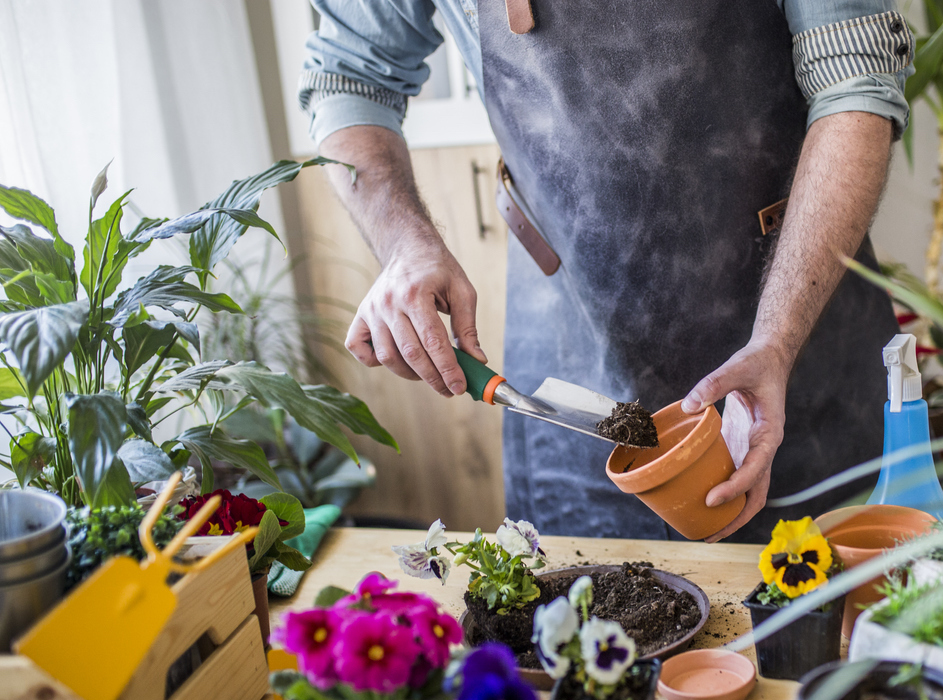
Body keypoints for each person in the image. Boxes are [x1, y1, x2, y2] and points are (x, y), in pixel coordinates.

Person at [300, 0, 910, 543]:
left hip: (793, 333)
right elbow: (348, 77)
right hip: (567, 335)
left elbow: (855, 84)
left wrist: (776, 341)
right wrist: (405, 244)